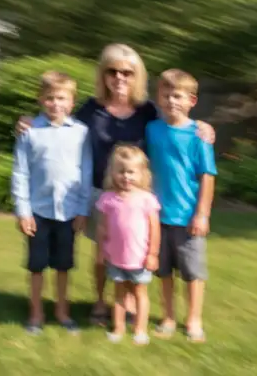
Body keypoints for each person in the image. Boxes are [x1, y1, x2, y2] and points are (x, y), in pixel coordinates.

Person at [15, 43, 215, 325]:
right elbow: (59, 123)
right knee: (102, 255)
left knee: (134, 250)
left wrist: (204, 126)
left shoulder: (147, 111)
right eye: (112, 71)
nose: (119, 77)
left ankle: (130, 303)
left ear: (137, 75)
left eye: (127, 72)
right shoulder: (91, 109)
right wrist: (28, 121)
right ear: (104, 74)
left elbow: (177, 123)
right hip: (100, 193)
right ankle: (100, 302)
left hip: (137, 197)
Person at [11, 71, 92, 335]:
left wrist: (82, 210)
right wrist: (23, 212)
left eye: (61, 98)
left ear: (71, 101)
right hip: (38, 212)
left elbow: (85, 172)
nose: (55, 103)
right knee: (37, 266)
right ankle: (36, 314)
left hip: (68, 212)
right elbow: (20, 173)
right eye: (50, 98)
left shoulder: (81, 133)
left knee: (62, 265)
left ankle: (62, 311)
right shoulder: (29, 132)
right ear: (40, 99)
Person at [146, 69, 217, 343]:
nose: (171, 101)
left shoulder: (198, 136)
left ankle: (194, 319)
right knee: (163, 271)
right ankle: (167, 317)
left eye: (177, 96)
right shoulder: (152, 130)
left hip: (188, 218)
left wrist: (202, 214)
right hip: (157, 217)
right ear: (158, 98)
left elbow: (207, 176)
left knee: (192, 272)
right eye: (165, 95)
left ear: (191, 100)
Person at [96, 145, 160, 345]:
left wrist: (152, 254)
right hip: (116, 258)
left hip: (139, 258)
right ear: (113, 173)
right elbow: (102, 228)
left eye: (131, 172)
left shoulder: (147, 199)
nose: (126, 176)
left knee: (140, 294)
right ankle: (118, 328)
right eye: (121, 171)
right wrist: (101, 251)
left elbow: (155, 229)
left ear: (141, 173)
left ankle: (140, 330)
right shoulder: (108, 199)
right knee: (119, 295)